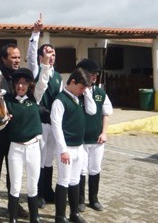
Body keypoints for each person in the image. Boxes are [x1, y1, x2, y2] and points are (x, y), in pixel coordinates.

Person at [0, 43, 29, 221]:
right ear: (3, 58)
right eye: (13, 57)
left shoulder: (20, 77)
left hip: (14, 133)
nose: (17, 60)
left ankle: (13, 204)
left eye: (18, 57)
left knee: (14, 170)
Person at [51, 68, 96, 223]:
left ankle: (74, 213)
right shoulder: (60, 100)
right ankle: (60, 216)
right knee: (64, 180)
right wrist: (63, 150)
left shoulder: (80, 98)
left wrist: (87, 93)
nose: (83, 91)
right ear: (72, 82)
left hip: (79, 147)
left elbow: (92, 110)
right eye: (81, 88)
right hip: (67, 148)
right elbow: (56, 126)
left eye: (85, 89)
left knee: (75, 180)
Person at [28, 15, 63, 207]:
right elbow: (32, 52)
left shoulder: (58, 76)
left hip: (53, 123)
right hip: (40, 122)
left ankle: (48, 191)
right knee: (39, 158)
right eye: (48, 52)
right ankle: (38, 193)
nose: (51, 55)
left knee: (49, 157)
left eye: (54, 53)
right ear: (42, 57)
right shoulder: (36, 69)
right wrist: (36, 32)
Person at [76, 59, 113, 212]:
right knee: (81, 170)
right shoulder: (76, 94)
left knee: (95, 168)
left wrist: (104, 132)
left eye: (96, 74)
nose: (95, 76)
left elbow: (106, 114)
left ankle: (94, 198)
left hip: (96, 140)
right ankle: (80, 200)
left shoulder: (100, 93)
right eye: (92, 74)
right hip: (81, 140)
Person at [6, 68, 42, 223]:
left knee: (33, 185)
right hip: (15, 149)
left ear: (29, 85)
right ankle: (13, 218)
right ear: (14, 85)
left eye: (24, 84)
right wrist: (4, 120)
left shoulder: (35, 98)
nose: (20, 87)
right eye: (18, 84)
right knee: (15, 185)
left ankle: (34, 217)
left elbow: (43, 82)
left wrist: (45, 64)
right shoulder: (8, 102)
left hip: (33, 148)